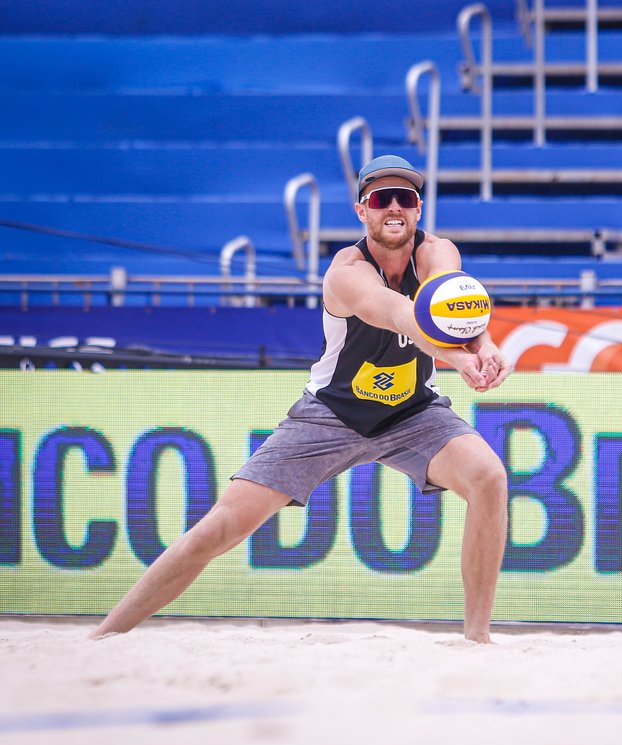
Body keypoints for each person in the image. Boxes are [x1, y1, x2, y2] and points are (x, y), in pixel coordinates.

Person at [90, 155, 513, 644]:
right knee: (220, 528)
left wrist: (484, 346)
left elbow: (455, 308)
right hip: (329, 415)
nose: (394, 207)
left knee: (489, 478)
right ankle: (106, 635)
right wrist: (460, 359)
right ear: (362, 210)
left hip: (413, 411)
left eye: (406, 198)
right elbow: (401, 314)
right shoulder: (346, 271)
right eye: (382, 198)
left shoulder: (439, 252)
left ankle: (477, 639)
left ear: (418, 209)